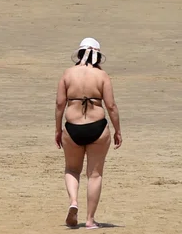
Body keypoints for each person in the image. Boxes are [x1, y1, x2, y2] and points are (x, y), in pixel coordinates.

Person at [55, 38, 122, 229]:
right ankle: (90, 220)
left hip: (72, 127)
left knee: (71, 169)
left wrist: (58, 129)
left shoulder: (67, 74)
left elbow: (60, 104)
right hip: (98, 127)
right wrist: (118, 130)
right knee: (94, 175)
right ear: (98, 56)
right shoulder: (102, 76)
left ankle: (73, 202)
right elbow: (111, 106)